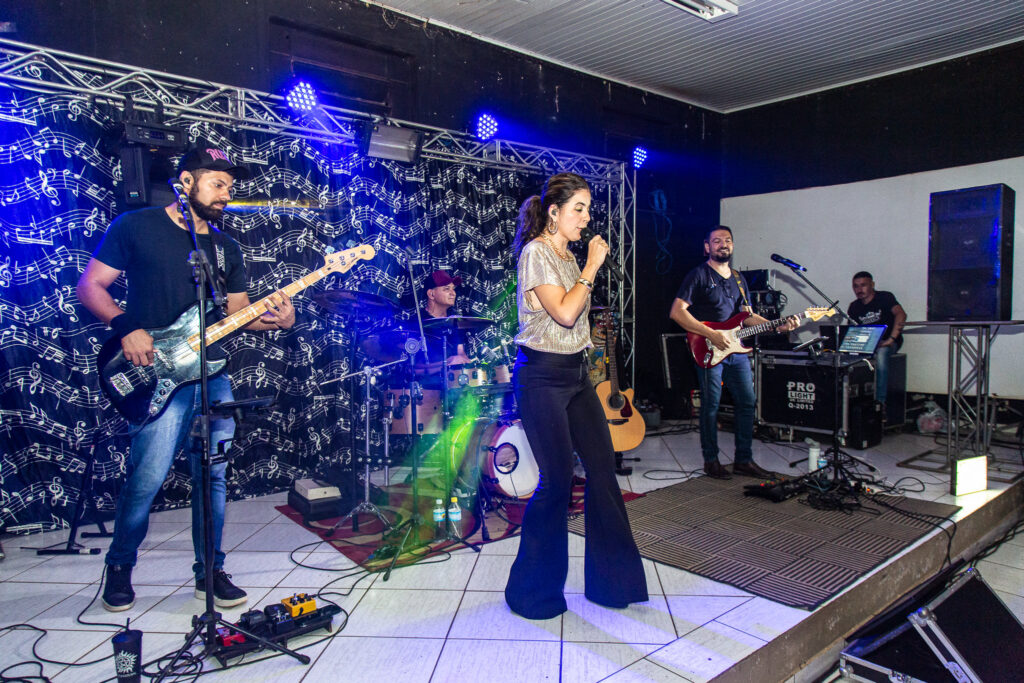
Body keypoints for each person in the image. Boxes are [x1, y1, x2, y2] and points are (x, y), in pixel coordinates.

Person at [77, 148, 295, 612]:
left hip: (213, 373)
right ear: (186, 182)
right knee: (147, 477)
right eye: (217, 184)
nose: (226, 194)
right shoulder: (135, 226)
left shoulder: (225, 247)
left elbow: (238, 315)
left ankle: (209, 571)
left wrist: (277, 320)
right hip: (155, 371)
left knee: (212, 477)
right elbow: (90, 286)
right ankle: (120, 566)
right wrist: (126, 327)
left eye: (230, 187)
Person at [505, 172, 648, 620]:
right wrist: (591, 267)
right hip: (542, 376)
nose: (587, 218)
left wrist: (584, 269)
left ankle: (613, 584)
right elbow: (565, 314)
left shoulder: (568, 256)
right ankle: (531, 593)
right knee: (557, 481)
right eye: (578, 209)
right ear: (554, 212)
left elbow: (578, 323)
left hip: (576, 374)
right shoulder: (537, 253)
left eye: (588, 209)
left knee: (603, 471)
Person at [669, 226, 800, 480]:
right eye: (717, 241)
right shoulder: (698, 275)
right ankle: (711, 461)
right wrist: (710, 334)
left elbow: (746, 316)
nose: (723, 245)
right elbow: (677, 312)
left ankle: (743, 460)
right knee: (711, 405)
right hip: (708, 348)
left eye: (727, 240)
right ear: (707, 247)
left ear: (733, 245)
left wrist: (778, 325)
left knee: (747, 402)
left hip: (736, 350)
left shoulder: (739, 279)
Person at [847, 271, 906, 406]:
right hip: (866, 345)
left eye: (863, 285)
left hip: (887, 342)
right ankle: (851, 402)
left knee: (881, 354)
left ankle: (880, 402)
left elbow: (901, 314)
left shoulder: (885, 297)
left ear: (872, 285)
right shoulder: (854, 306)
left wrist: (891, 339)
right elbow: (851, 332)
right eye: (856, 286)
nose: (859, 289)